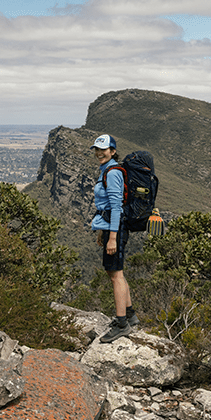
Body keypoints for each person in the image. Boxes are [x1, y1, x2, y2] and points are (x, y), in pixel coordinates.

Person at [90, 133, 137, 343]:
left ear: (113, 151)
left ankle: (122, 325)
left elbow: (116, 207)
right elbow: (107, 207)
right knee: (116, 272)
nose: (100, 153)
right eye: (97, 149)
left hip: (116, 229)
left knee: (115, 275)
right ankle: (130, 316)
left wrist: (112, 238)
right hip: (111, 227)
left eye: (104, 149)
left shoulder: (113, 172)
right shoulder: (106, 170)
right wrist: (104, 231)